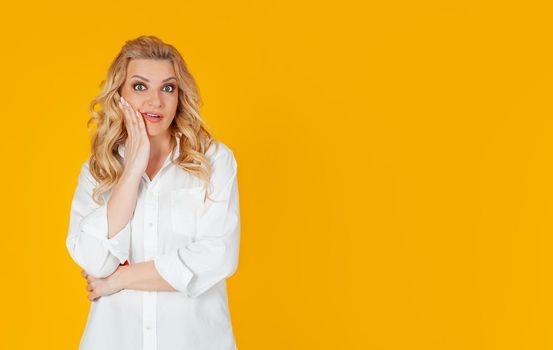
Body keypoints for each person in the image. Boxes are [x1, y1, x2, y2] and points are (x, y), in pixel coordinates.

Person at [66, 35, 241, 350]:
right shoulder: (97, 171)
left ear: (180, 95)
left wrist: (118, 280)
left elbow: (217, 257)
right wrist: (132, 169)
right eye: (139, 86)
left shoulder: (214, 161)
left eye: (168, 88)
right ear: (119, 93)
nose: (155, 102)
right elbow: (95, 261)